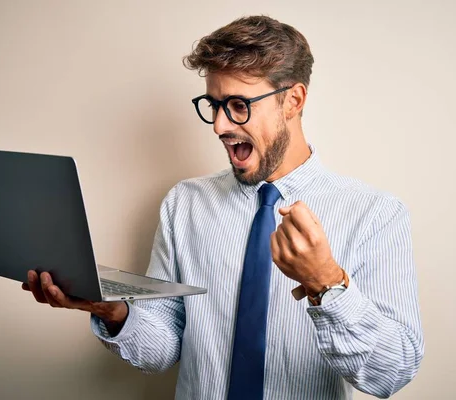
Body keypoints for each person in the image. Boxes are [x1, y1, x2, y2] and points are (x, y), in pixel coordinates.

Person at [23, 15, 424, 400]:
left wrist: (326, 283)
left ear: (293, 100)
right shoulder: (185, 203)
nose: (219, 125)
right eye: (213, 104)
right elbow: (162, 347)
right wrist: (109, 308)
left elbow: (392, 372)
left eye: (238, 105)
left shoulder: (374, 214)